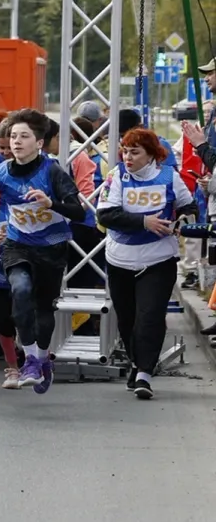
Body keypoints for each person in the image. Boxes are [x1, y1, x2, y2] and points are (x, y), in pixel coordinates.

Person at [0, 110, 86, 394]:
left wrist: (50, 203)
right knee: (20, 289)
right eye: (14, 136)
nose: (16, 142)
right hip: (17, 243)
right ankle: (29, 360)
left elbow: (78, 211)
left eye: (24, 137)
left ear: (39, 143)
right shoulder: (1, 172)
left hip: (51, 247)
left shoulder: (51, 171)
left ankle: (42, 360)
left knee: (43, 306)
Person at [95, 127, 191, 400]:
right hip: (119, 259)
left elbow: (187, 206)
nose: (127, 157)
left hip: (158, 258)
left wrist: (184, 220)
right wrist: (143, 221)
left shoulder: (169, 176)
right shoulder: (116, 176)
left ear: (151, 155)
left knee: (149, 316)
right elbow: (106, 215)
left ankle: (145, 374)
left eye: (134, 152)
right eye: (125, 151)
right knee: (128, 320)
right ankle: (137, 364)